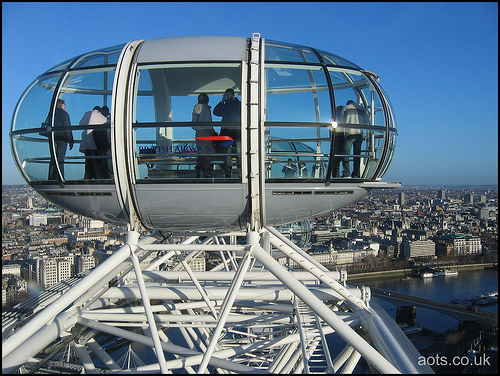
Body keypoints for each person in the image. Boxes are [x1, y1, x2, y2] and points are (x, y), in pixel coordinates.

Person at [213, 88, 241, 178]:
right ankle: (227, 173)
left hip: (237, 132)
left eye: (229, 95)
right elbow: (216, 112)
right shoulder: (225, 105)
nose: (227, 97)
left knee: (238, 153)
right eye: (226, 96)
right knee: (225, 153)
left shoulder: (238, 104)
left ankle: (240, 174)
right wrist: (222, 102)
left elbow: (242, 111)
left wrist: (234, 101)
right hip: (226, 131)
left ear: (233, 95)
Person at [341, 100, 369, 178]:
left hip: (349, 134)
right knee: (357, 155)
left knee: (345, 154)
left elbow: (342, 122)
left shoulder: (345, 108)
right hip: (359, 134)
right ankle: (356, 173)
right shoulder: (362, 109)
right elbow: (367, 122)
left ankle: (346, 173)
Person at [48, 99, 74, 180]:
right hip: (62, 138)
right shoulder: (64, 114)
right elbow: (67, 128)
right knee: (60, 158)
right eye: (64, 105)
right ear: (62, 105)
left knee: (53, 158)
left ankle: (51, 177)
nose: (65, 107)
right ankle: (60, 177)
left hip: (53, 138)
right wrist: (70, 140)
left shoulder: (51, 114)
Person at [192, 93, 216, 177]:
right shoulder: (206, 109)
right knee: (207, 154)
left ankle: (198, 174)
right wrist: (213, 133)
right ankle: (206, 174)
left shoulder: (195, 109)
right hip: (206, 134)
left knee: (200, 153)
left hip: (198, 133)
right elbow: (208, 124)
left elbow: (193, 125)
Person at [79, 106, 107, 179]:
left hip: (87, 140)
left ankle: (88, 177)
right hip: (98, 142)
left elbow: (81, 124)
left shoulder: (89, 113)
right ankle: (97, 176)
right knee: (97, 160)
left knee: (88, 160)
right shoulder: (103, 118)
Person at [93, 106, 112, 178]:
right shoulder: (109, 119)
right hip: (108, 144)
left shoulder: (105, 120)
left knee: (107, 161)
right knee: (107, 161)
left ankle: (107, 175)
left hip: (106, 144)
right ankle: (108, 175)